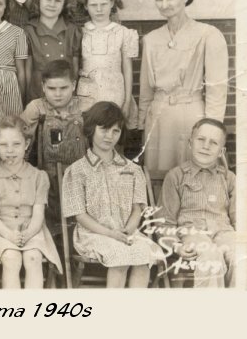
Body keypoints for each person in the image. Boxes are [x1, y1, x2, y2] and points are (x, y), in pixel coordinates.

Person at [62, 102, 163, 288]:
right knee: (120, 256)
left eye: (115, 131)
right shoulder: (77, 171)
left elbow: (137, 208)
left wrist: (128, 230)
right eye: (104, 129)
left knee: (144, 254)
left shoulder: (132, 170)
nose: (109, 136)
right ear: (91, 129)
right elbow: (80, 215)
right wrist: (111, 234)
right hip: (93, 234)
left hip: (126, 232)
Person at [139, 0, 228, 174]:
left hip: (192, 116)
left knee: (194, 176)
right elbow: (146, 90)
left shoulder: (208, 35)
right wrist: (143, 124)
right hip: (159, 120)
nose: (165, 4)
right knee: (160, 179)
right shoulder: (151, 39)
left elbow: (217, 89)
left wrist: (212, 129)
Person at [158, 118, 236, 288]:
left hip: (224, 232)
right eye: (201, 139)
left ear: (221, 151)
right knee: (210, 255)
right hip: (192, 234)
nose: (206, 146)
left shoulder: (229, 179)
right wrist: (176, 246)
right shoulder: (176, 176)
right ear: (190, 143)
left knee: (241, 256)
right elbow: (165, 221)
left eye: (213, 143)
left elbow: (240, 220)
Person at [0, 115, 62, 289]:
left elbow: (38, 215)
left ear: (26, 145)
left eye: (16, 144)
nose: (10, 150)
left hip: (32, 231)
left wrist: (28, 234)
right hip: (1, 232)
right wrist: (9, 235)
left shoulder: (38, 177)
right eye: (3, 145)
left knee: (33, 258)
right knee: (12, 259)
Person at [20, 59, 87, 237]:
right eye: (51, 89)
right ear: (43, 86)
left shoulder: (84, 107)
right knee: (50, 216)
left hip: (79, 175)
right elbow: (22, 142)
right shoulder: (36, 108)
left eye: (63, 88)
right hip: (46, 174)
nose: (58, 94)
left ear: (73, 85)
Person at [75, 0, 138, 128]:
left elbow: (127, 69)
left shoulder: (122, 33)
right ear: (85, 6)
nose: (99, 9)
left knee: (112, 131)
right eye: (93, 5)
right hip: (89, 94)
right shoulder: (80, 32)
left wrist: (128, 101)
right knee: (90, 133)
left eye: (103, 4)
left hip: (115, 92)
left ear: (112, 3)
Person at [23, 0, 81, 104]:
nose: (52, 4)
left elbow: (75, 69)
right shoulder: (29, 31)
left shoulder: (72, 31)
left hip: (64, 95)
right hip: (38, 93)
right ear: (39, 0)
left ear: (64, 4)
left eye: (58, 1)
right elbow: (28, 72)